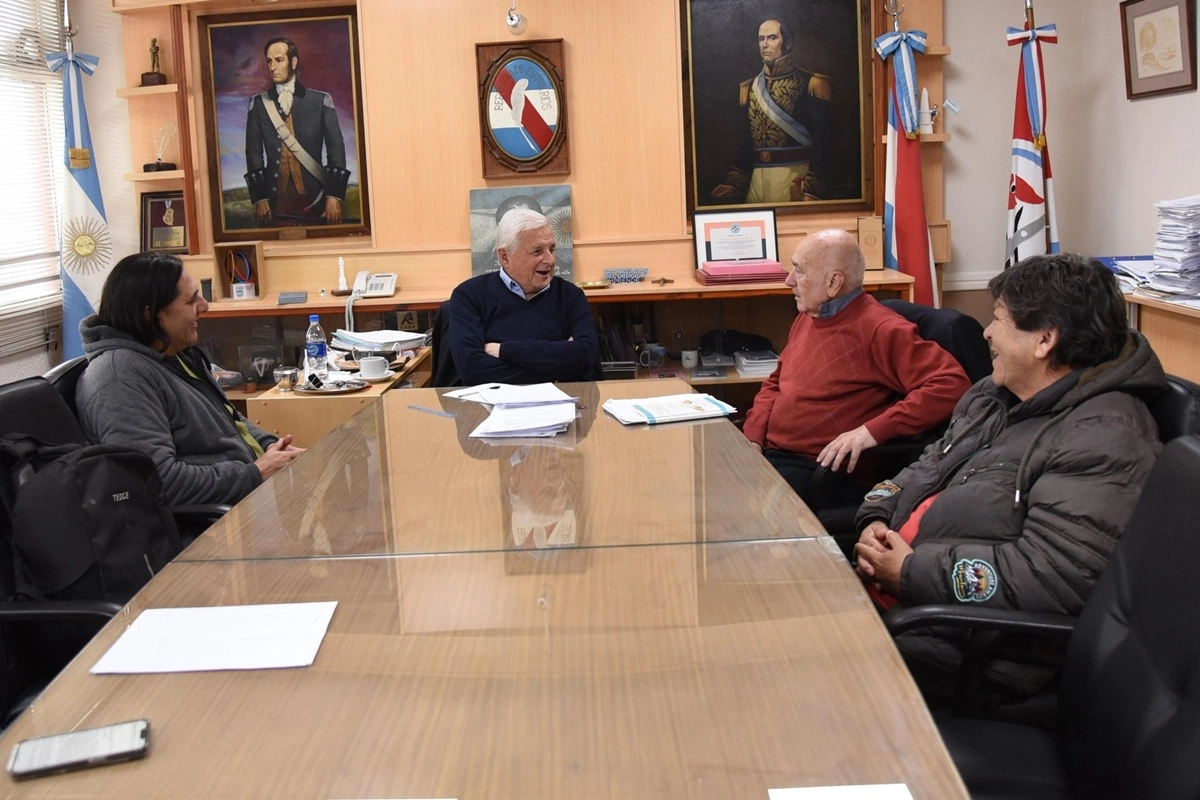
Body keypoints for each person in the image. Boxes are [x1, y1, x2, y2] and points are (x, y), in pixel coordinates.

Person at [854, 253, 1167, 704]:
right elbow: (927, 466)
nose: (985, 332)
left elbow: (1053, 577)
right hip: (901, 603)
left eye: (998, 319)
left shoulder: (1105, 436)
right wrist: (875, 516)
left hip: (963, 647)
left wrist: (909, 572)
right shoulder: (993, 395)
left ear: (1044, 340)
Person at [742, 229, 970, 507]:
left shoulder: (881, 329)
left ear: (833, 283)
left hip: (820, 470)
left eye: (799, 271)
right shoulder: (808, 315)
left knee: (735, 510)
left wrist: (869, 431)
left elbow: (951, 385)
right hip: (773, 453)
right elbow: (776, 382)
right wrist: (752, 437)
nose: (789, 280)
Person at [76, 253, 305, 507]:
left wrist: (274, 447)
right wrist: (254, 473)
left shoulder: (174, 353)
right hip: (217, 526)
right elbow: (157, 481)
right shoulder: (119, 379)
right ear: (150, 316)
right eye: (190, 300)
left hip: (248, 496)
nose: (204, 306)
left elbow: (229, 419)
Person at [448, 208, 599, 385]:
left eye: (551, 249)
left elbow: (584, 358)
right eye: (537, 252)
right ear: (505, 257)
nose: (549, 260)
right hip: (492, 408)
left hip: (559, 405)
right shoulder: (469, 296)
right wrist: (558, 366)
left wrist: (505, 351)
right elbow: (472, 371)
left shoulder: (571, 296)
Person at [711, 18, 833, 204]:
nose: (765, 45)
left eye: (772, 38)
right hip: (756, 182)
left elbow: (823, 142)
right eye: (761, 39)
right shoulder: (750, 88)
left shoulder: (810, 83)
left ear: (788, 43)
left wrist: (812, 190)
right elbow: (746, 141)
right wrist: (733, 184)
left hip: (794, 179)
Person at [245, 37, 350, 227]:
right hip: (275, 202)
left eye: (279, 60)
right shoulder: (259, 105)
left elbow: (336, 149)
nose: (272, 67)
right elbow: (253, 154)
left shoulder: (320, 101)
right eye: (269, 61)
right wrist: (260, 199)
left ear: (293, 62)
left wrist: (333, 195)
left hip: (316, 198)